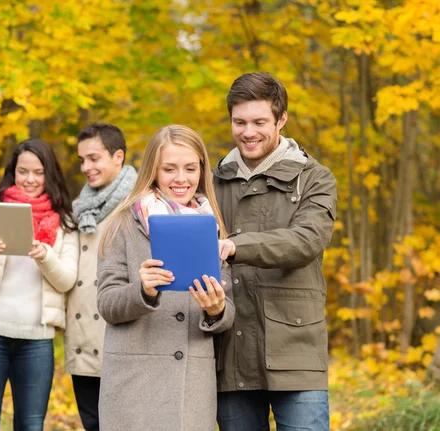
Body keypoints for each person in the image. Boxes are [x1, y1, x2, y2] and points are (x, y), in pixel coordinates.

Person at [213, 72, 338, 431]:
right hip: (230, 354)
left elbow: (306, 241)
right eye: (239, 122)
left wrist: (237, 246)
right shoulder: (212, 179)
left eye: (259, 122)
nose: (248, 132)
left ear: (281, 120)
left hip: (296, 348)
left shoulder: (315, 178)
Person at [96, 124, 236, 431]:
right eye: (169, 169)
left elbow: (228, 311)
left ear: (202, 170)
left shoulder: (211, 225)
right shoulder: (123, 223)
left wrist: (217, 310)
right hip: (134, 387)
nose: (181, 178)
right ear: (153, 170)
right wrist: (142, 291)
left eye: (190, 168)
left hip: (190, 388)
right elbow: (106, 303)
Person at [0, 139, 79, 430]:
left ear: (49, 174)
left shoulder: (64, 222)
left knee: (30, 425)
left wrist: (45, 257)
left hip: (36, 340)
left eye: (38, 172)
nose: (29, 179)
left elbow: (66, 281)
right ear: (12, 172)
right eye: (22, 171)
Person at [66, 123, 137, 430]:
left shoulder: (138, 204)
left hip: (122, 338)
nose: (86, 167)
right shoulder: (79, 208)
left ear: (118, 156)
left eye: (93, 158)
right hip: (82, 338)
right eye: (82, 160)